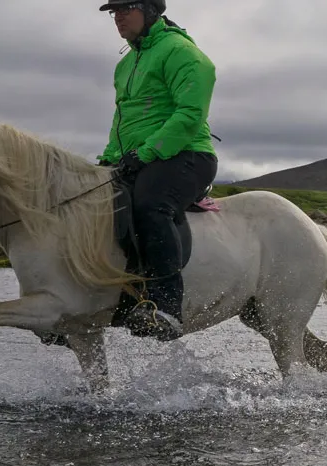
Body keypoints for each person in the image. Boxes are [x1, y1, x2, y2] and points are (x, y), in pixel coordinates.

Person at [97, 0, 217, 341]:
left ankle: (166, 308)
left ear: (151, 11)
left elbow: (190, 115)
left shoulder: (181, 52)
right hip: (138, 157)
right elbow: (122, 122)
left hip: (186, 154)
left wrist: (146, 153)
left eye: (125, 9)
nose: (118, 17)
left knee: (150, 205)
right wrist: (108, 160)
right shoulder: (125, 64)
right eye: (113, 12)